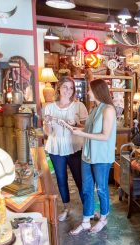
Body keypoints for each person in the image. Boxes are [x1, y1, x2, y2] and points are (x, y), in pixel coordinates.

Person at [66, 79, 117, 235]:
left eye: (90, 89)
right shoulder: (95, 109)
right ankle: (86, 221)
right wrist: (75, 125)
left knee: (101, 189)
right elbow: (89, 129)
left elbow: (105, 135)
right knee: (87, 189)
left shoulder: (108, 109)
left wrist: (81, 133)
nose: (87, 92)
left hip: (101, 157)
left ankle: (103, 219)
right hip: (87, 155)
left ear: (97, 91)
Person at [43, 76, 88, 222]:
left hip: (74, 147)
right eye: (65, 87)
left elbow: (87, 128)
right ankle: (66, 208)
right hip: (56, 148)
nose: (68, 91)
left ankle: (88, 210)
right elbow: (48, 133)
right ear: (59, 88)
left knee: (80, 179)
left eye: (71, 88)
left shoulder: (78, 106)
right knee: (61, 179)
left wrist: (75, 124)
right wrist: (47, 122)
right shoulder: (49, 107)